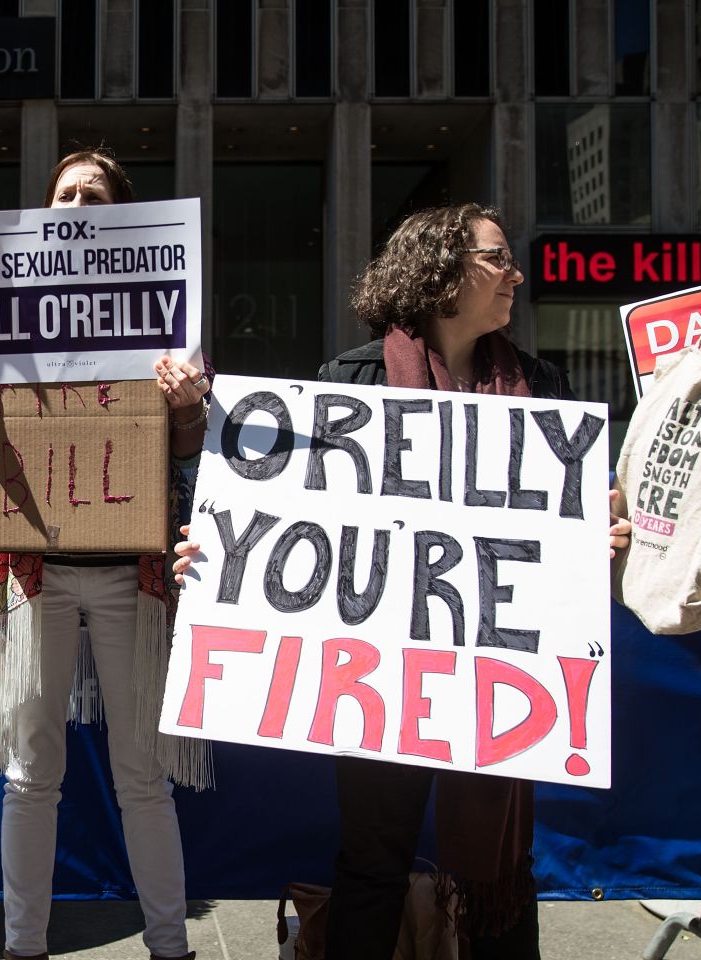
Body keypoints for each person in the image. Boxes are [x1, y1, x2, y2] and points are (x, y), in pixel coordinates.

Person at [172, 203, 632, 960]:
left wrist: (596, 539)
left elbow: (556, 534)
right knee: (372, 858)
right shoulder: (347, 382)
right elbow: (295, 520)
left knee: (499, 868)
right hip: (384, 674)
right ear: (441, 275)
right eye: (495, 258)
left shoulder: (542, 385)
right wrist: (221, 557)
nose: (514, 273)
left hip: (497, 672)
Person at [0, 148, 210, 960]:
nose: (75, 204)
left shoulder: (168, 317)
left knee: (143, 776)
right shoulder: (2, 308)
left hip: (132, 573)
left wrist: (188, 405)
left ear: (122, 215)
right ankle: (24, 948)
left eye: (92, 194)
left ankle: (170, 948)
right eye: (63, 194)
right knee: (30, 772)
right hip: (35, 572)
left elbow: (190, 451)